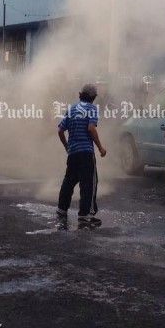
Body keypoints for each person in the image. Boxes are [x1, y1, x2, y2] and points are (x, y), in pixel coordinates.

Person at [56, 84, 107, 228]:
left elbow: (60, 130)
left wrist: (67, 147)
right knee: (89, 184)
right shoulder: (91, 109)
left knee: (69, 182)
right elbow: (91, 128)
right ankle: (85, 215)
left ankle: (61, 210)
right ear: (93, 98)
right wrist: (101, 147)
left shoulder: (71, 109)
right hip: (86, 153)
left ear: (80, 94)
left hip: (73, 154)